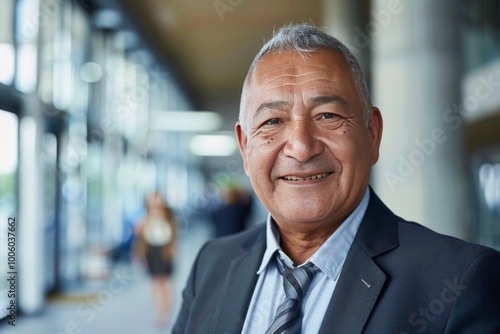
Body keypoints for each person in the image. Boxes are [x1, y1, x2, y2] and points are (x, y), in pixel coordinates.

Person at [173, 24, 500, 333]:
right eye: (273, 121)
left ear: (372, 135)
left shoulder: (460, 282)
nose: (301, 148)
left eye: (327, 116)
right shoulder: (211, 265)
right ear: (245, 147)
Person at [133, 191, 177, 327]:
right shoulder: (145, 218)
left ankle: (166, 311)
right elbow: (140, 236)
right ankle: (159, 312)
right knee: (155, 284)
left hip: (164, 252)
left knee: (164, 284)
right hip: (152, 252)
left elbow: (171, 235)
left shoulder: (169, 217)